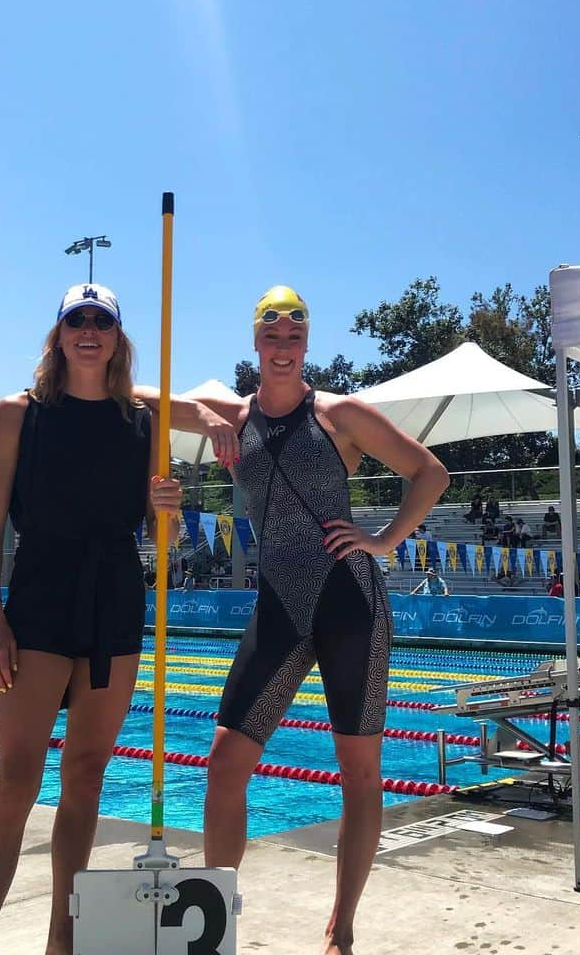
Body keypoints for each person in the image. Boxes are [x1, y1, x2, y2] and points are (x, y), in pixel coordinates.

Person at [149, 285, 449, 955]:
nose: (282, 349)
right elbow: (141, 399)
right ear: (255, 344)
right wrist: (201, 410)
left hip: (351, 605)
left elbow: (429, 473)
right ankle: (211, 927)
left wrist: (384, 539)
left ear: (305, 345)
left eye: (293, 337)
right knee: (226, 760)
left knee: (360, 771)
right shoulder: (233, 416)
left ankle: (340, 929)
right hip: (279, 606)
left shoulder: (341, 414)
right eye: (271, 337)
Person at [0, 283, 237, 955]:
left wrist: (166, 505)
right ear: (57, 335)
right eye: (76, 320)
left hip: (116, 597)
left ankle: (62, 943)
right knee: (17, 780)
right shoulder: (17, 413)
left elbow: (153, 527)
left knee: (86, 774)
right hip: (39, 597)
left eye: (102, 321)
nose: (89, 330)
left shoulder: (140, 424)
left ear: (117, 337)